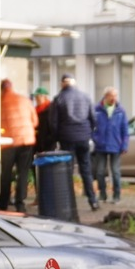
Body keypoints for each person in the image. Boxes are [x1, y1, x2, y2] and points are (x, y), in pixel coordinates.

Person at [49, 73, 98, 209]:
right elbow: (93, 118)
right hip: (83, 138)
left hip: (67, 138)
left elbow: (53, 122)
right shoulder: (86, 97)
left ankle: (68, 203)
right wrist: (89, 133)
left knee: (67, 170)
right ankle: (93, 200)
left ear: (62, 84)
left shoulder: (59, 98)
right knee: (86, 169)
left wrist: (56, 138)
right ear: (74, 83)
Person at [0, 78, 38, 212]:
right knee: (23, 172)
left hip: (8, 142)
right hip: (26, 140)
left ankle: (3, 202)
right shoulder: (24, 100)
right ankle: (20, 204)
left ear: (1, 89)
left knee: (6, 173)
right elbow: (35, 121)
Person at [91, 86, 129, 204]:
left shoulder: (121, 111)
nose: (114, 98)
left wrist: (124, 145)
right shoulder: (97, 109)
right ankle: (102, 195)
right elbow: (91, 126)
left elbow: (125, 130)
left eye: (115, 96)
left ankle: (117, 196)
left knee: (116, 172)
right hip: (101, 145)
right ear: (106, 96)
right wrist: (95, 138)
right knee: (100, 172)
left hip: (116, 145)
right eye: (112, 96)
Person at [33, 86, 55, 153]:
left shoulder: (51, 108)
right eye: (36, 97)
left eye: (38, 97)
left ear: (45, 97)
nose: (36, 99)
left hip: (48, 140)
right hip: (38, 139)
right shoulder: (36, 109)